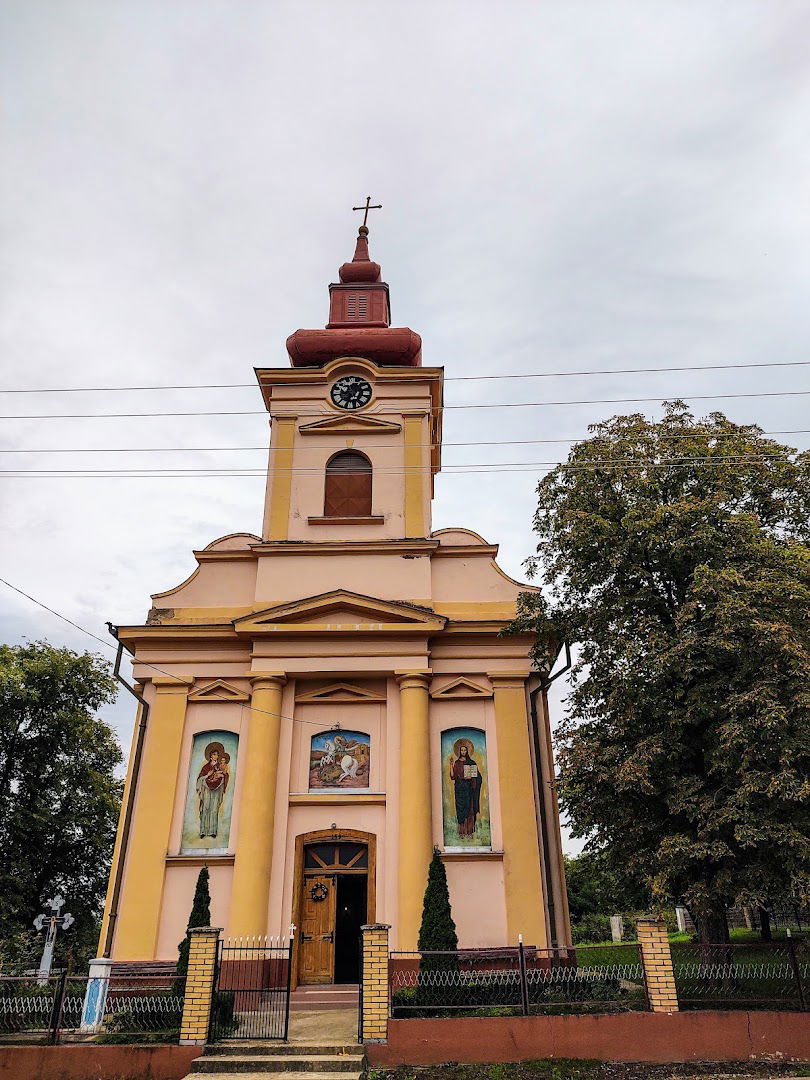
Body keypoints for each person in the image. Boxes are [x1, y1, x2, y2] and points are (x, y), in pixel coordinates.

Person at [450, 739, 483, 837]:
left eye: (465, 750)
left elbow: (478, 777)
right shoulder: (457, 763)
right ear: (459, 752)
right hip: (460, 790)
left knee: (469, 811)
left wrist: (472, 778)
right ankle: (462, 832)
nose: (463, 752)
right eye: (461, 750)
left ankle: (469, 832)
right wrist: (451, 765)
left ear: (467, 751)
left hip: (469, 790)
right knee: (460, 810)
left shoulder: (471, 762)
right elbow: (453, 777)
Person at [196, 742, 229, 839]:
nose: (216, 756)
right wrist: (208, 775)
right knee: (206, 809)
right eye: (214, 754)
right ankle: (203, 831)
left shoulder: (220, 766)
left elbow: (225, 775)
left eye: (217, 755)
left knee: (214, 810)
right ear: (210, 756)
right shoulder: (205, 767)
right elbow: (200, 779)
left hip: (217, 790)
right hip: (206, 789)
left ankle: (213, 831)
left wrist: (223, 775)